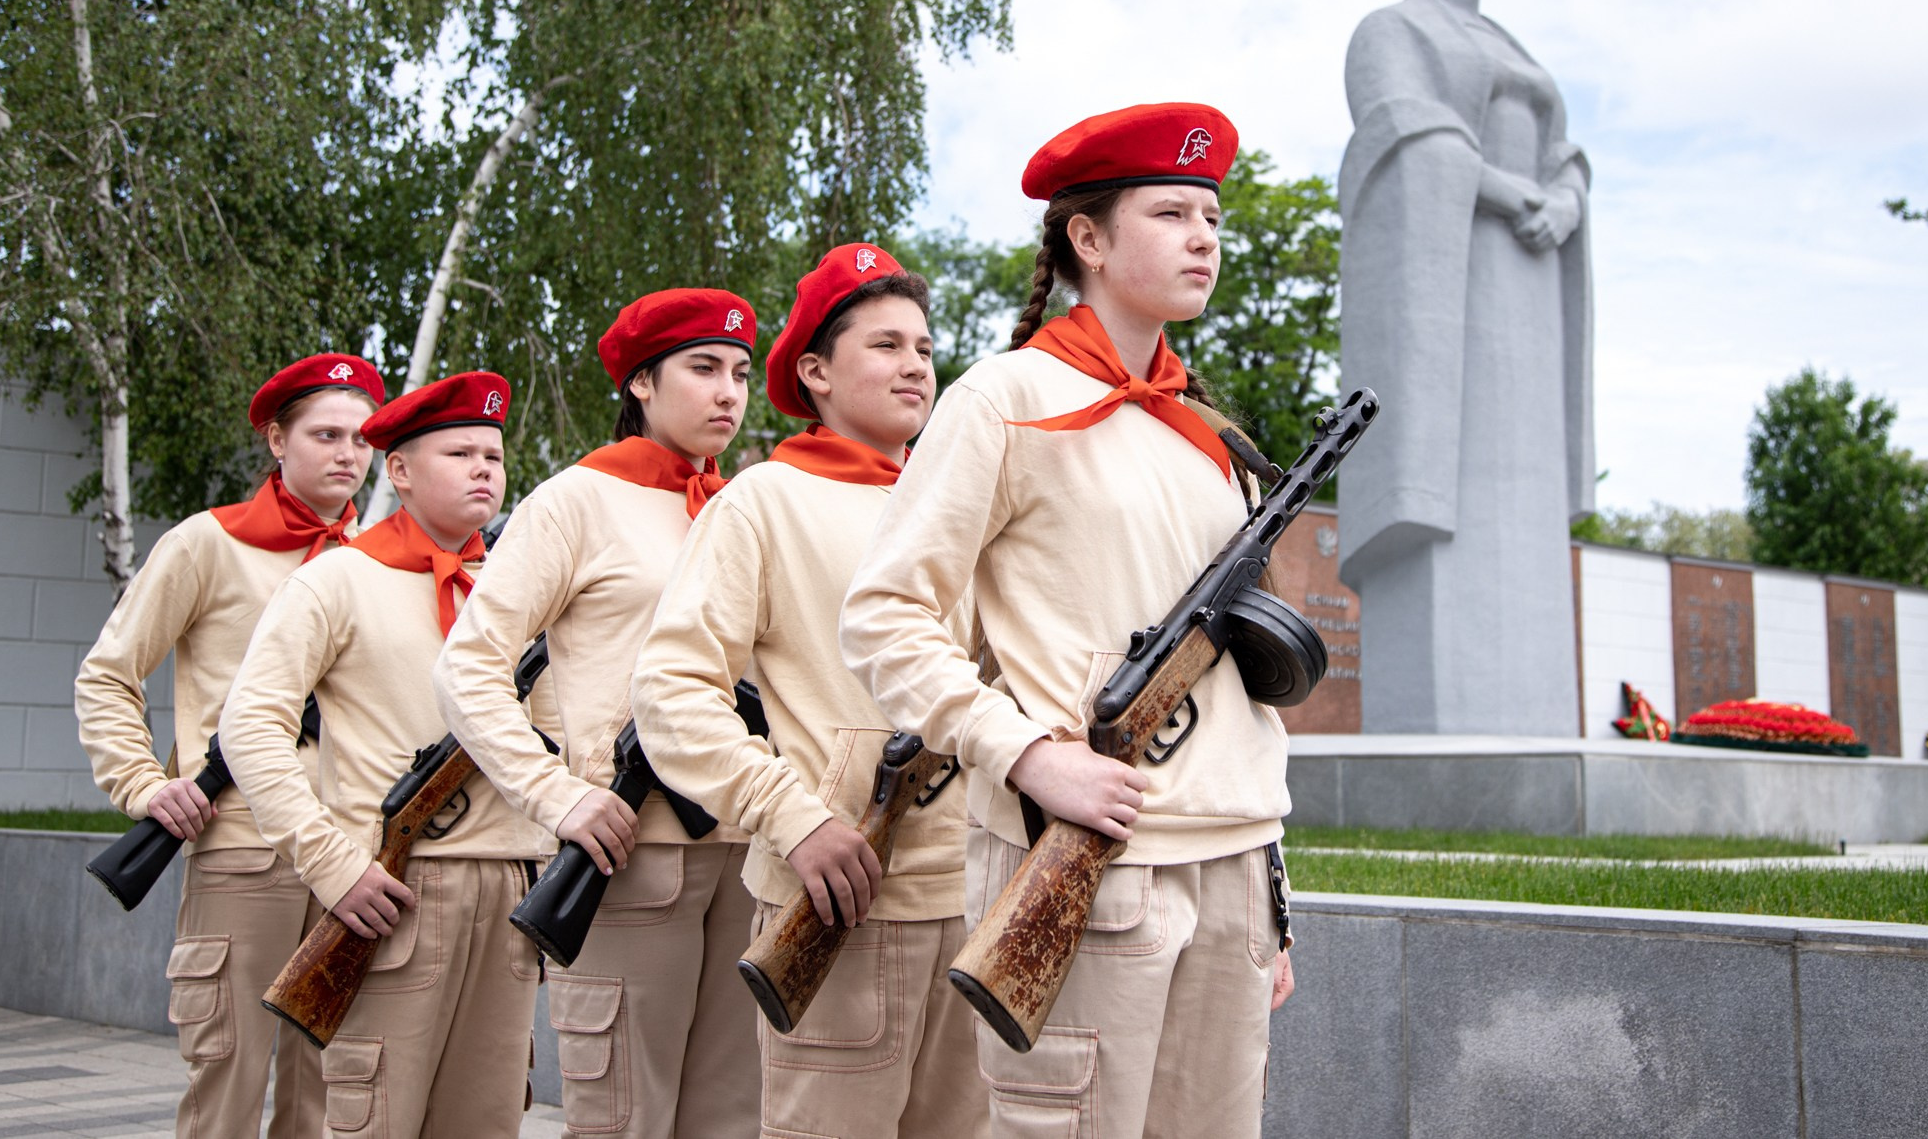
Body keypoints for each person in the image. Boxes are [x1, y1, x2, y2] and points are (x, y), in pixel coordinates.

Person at [840, 105, 1295, 1138]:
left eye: (1212, 215)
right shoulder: (1004, 398)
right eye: (1170, 210)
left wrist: (1269, 899)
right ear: (1085, 238)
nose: (1202, 236)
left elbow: (1223, 686)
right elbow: (882, 618)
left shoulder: (1207, 433)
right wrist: (1024, 753)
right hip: (1084, 849)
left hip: (1227, 859)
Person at [633, 244, 982, 1139]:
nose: (914, 365)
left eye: (925, 347)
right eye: (886, 345)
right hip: (835, 895)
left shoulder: (959, 503)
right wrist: (794, 815)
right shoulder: (764, 501)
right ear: (815, 371)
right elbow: (673, 689)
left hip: (978, 895)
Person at [434, 289, 763, 1139]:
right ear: (643, 383)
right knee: (623, 1119)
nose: (729, 391)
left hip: (747, 852)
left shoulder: (746, 507)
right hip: (630, 854)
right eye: (702, 369)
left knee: (728, 1119)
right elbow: (469, 666)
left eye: (739, 372)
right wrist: (556, 794)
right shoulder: (574, 501)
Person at [219, 371, 551, 1139]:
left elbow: (550, 738)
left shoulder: (515, 593)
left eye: (494, 456)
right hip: (393, 891)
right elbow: (251, 726)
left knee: (488, 1118)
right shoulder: (337, 579)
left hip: (507, 888)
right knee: (377, 1118)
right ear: (397, 469)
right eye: (459, 451)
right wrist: (330, 863)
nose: (483, 470)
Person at [73, 352, 384, 1139]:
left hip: (352, 853)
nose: (348, 453)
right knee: (229, 1080)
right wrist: (144, 783)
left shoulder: (380, 561)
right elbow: (108, 675)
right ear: (278, 439)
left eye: (361, 437)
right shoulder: (206, 544)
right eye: (325, 433)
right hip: (245, 850)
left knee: (329, 1085)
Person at [1336, 0, 1593, 735]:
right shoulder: (1393, 30)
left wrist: (1560, 197)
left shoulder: (1514, 44)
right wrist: (1504, 191)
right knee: (1457, 471)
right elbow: (1400, 130)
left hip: (1530, 279)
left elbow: (1563, 148)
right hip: (1452, 275)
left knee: (1522, 483)